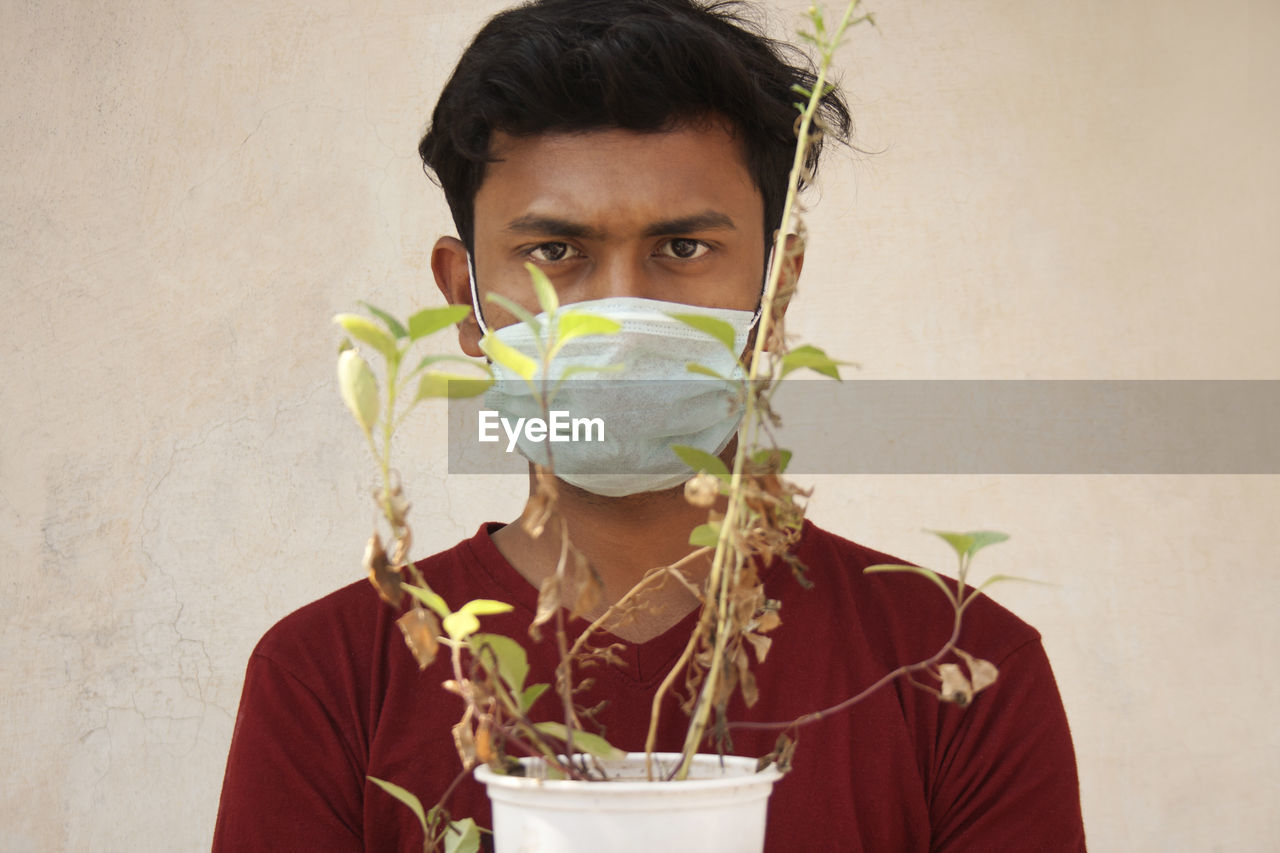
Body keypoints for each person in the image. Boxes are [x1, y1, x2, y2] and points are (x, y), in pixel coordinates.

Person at [213, 1, 1087, 850]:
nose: (620, 309)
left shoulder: (959, 668)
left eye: (682, 249)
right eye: (555, 252)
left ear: (776, 287)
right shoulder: (331, 678)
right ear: (466, 301)